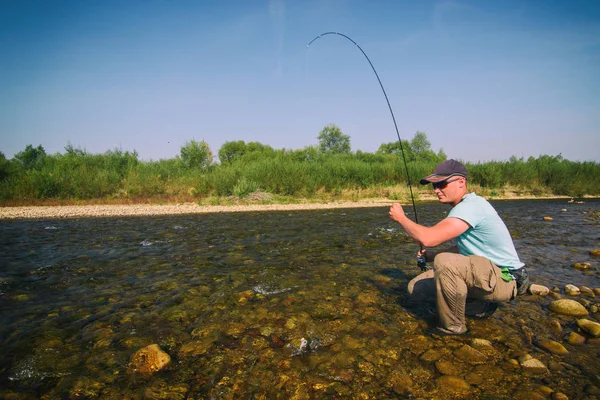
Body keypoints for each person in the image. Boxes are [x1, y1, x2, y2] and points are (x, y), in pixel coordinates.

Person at [389, 159, 535, 335]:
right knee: (416, 289)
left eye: (441, 184)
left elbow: (428, 238)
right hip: (487, 275)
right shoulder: (464, 207)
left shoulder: (472, 206)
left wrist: (401, 219)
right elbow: (466, 249)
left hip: (507, 278)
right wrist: (432, 255)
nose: (436, 190)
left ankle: (453, 328)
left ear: (461, 182)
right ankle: (478, 306)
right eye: (433, 186)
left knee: (445, 263)